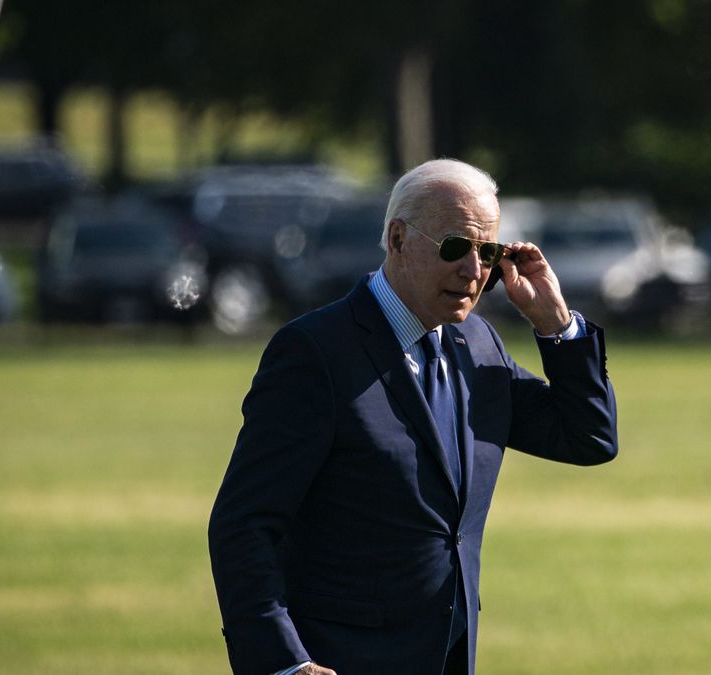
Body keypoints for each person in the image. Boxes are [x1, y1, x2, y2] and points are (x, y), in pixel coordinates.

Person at [208, 158, 618, 675]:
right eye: (455, 247)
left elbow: (589, 437)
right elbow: (242, 525)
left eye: (488, 252)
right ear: (398, 239)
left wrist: (557, 327)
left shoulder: (479, 345)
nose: (474, 271)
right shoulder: (315, 352)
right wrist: (284, 664)